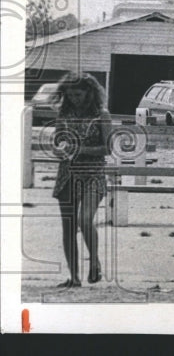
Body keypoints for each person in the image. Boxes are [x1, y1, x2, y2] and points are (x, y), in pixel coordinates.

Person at [51, 73, 111, 287]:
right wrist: (58, 150)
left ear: (89, 92)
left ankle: (94, 261)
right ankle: (74, 277)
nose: (74, 99)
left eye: (78, 94)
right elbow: (57, 140)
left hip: (93, 173)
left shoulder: (101, 115)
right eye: (70, 95)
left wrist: (80, 149)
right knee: (68, 227)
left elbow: (108, 148)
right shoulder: (64, 114)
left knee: (85, 219)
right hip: (67, 174)